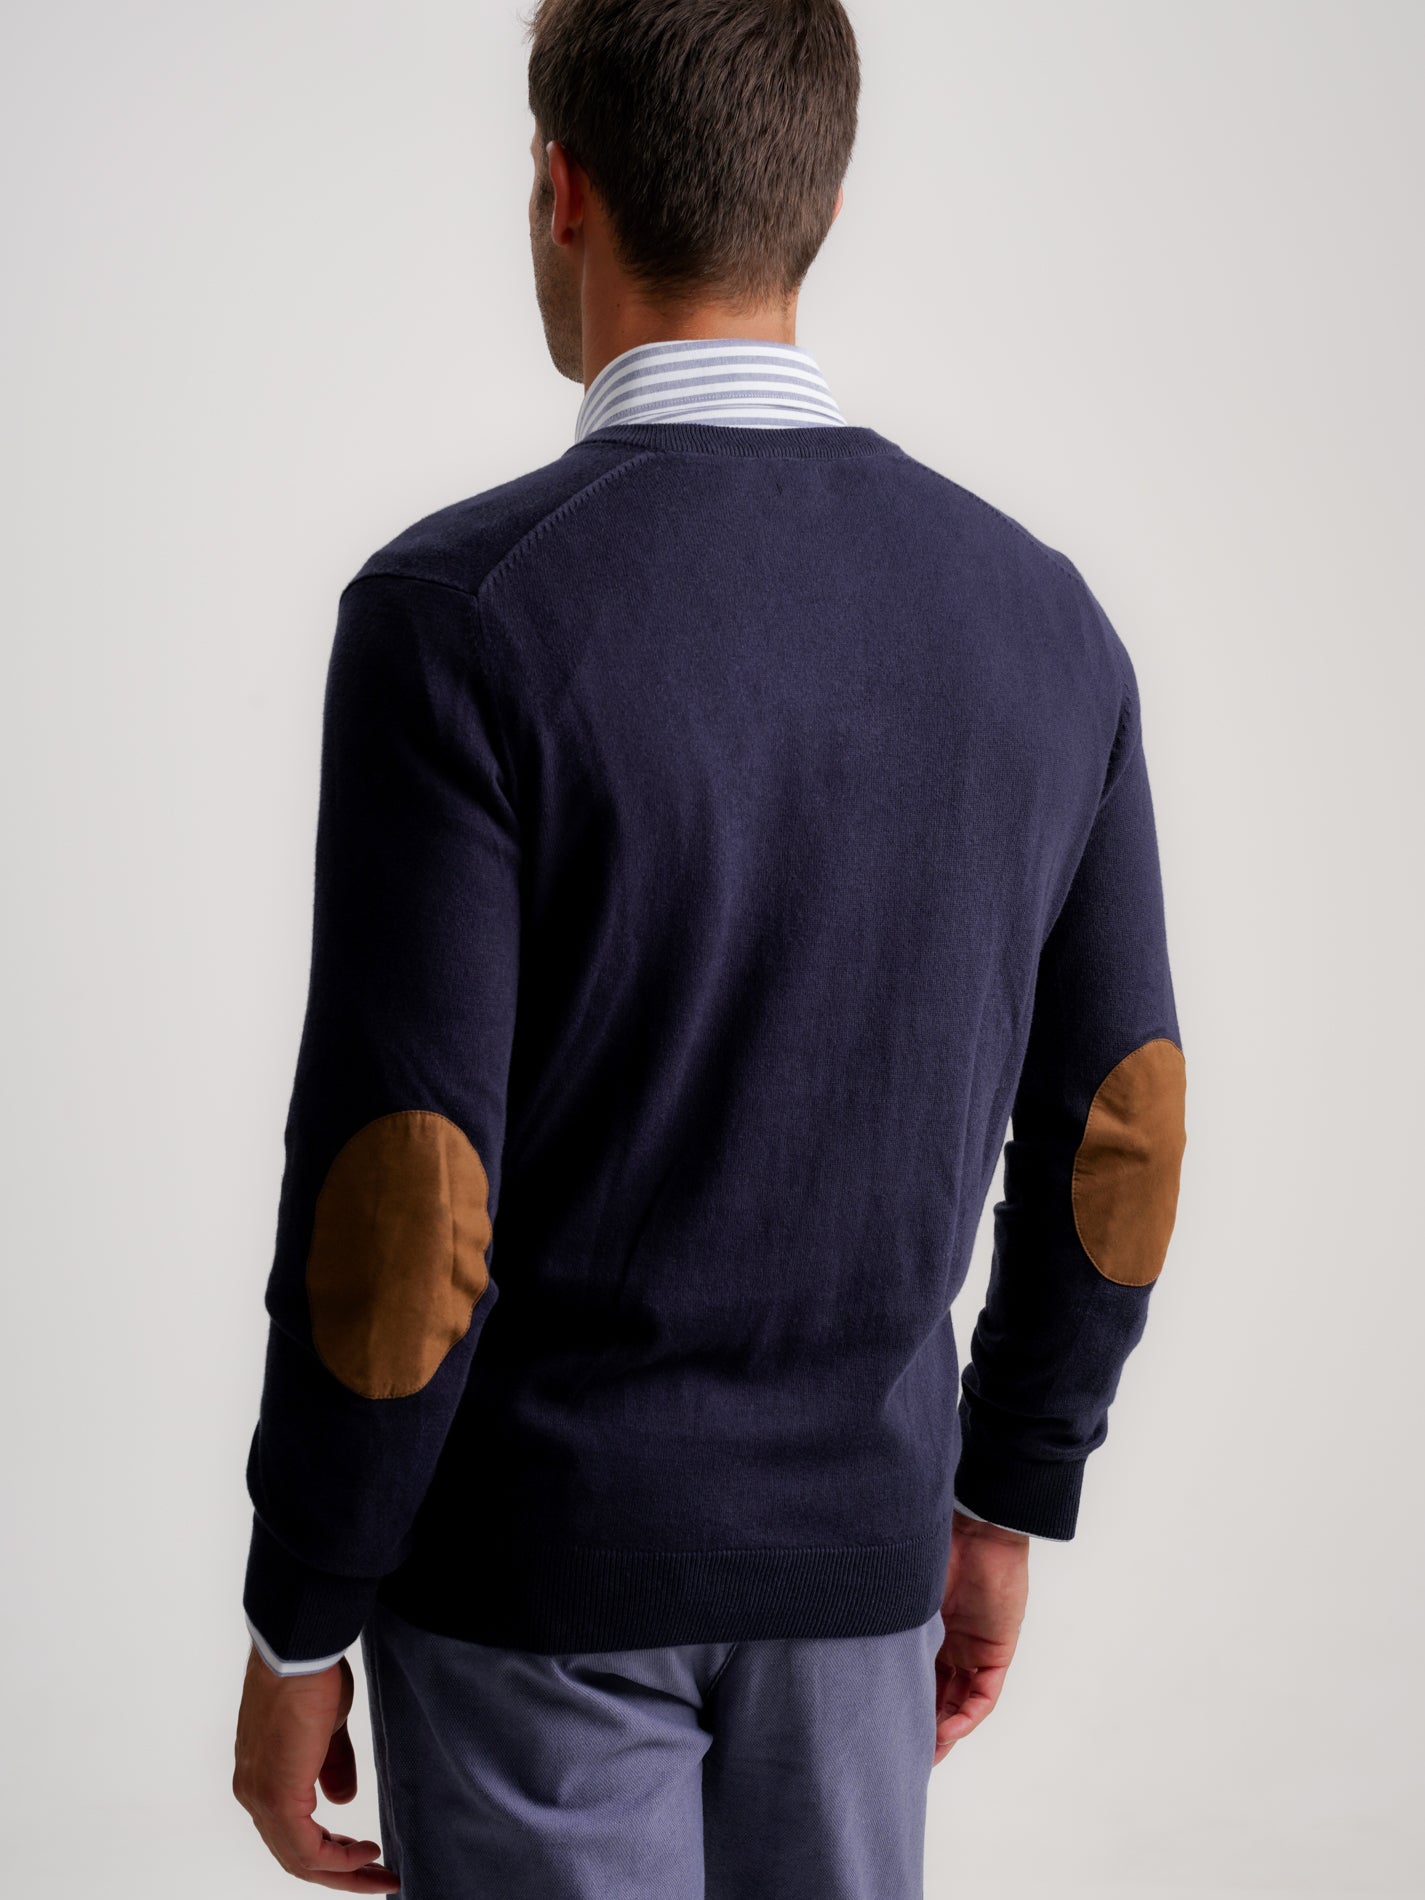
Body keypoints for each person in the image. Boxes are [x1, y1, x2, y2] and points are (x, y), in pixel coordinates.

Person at [230, 1, 1187, 1894]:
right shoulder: (1041, 623)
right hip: (859, 1568)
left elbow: (404, 1211)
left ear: (561, 189)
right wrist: (1007, 1492)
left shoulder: (456, 618)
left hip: (532, 1588)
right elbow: (1125, 1133)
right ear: (817, 195)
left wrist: (300, 1611)